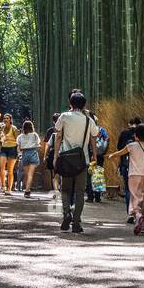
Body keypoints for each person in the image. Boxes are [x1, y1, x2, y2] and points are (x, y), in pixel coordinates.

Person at [54, 91, 98, 234]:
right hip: (82, 160)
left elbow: (58, 137)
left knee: (65, 190)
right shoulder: (88, 120)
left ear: (70, 104)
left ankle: (67, 213)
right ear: (84, 105)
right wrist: (95, 157)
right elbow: (94, 137)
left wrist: (55, 156)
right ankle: (76, 223)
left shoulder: (64, 117)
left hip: (66, 159)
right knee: (80, 192)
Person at [109, 122, 144, 235]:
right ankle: (143, 225)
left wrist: (111, 155)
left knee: (135, 198)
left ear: (137, 135)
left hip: (134, 175)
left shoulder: (132, 146)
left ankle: (138, 216)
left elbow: (120, 153)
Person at [116, 117, 142, 222]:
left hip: (126, 164)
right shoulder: (143, 134)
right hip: (140, 166)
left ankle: (130, 213)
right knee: (138, 190)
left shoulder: (124, 133)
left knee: (128, 189)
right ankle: (138, 213)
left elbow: (119, 148)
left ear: (129, 124)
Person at [17, 120, 41, 197]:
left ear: (23, 127)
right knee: (31, 174)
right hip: (33, 153)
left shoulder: (20, 137)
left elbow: (19, 148)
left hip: (25, 154)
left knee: (27, 174)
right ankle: (27, 190)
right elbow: (38, 144)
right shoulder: (34, 135)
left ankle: (27, 189)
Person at [0, 113, 19, 194]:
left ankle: (9, 189)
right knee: (1, 168)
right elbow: (1, 137)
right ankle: (3, 186)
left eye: (7, 118)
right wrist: (0, 138)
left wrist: (10, 138)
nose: (5, 119)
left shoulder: (14, 128)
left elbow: (17, 141)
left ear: (10, 120)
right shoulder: (2, 127)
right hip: (3, 148)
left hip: (12, 149)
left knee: (10, 170)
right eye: (4, 118)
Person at [44, 113, 61, 201]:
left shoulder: (51, 131)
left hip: (53, 153)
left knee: (54, 174)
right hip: (63, 153)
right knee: (58, 174)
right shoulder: (66, 130)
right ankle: (58, 190)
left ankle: (56, 190)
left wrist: (45, 155)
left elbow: (47, 144)